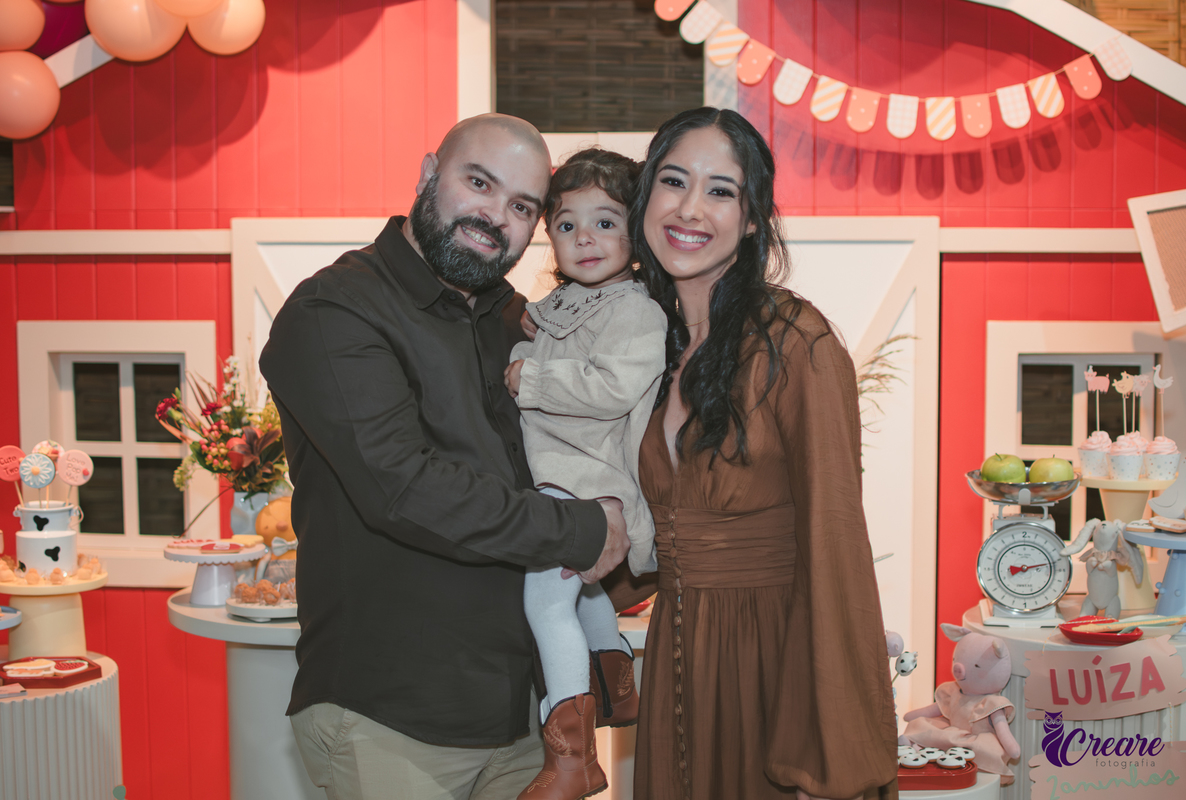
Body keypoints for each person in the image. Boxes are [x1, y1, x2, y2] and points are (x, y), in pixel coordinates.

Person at [258, 113, 630, 800]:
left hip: (526, 720)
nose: (495, 217)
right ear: (429, 173)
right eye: (479, 183)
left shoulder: (516, 318)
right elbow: (402, 487)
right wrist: (586, 529)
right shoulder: (333, 311)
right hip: (392, 719)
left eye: (522, 206)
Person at [606, 107, 898, 800]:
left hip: (775, 667)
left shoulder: (797, 342)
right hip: (679, 658)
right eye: (673, 181)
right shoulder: (645, 346)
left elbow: (834, 544)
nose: (689, 208)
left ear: (751, 217)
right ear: (645, 198)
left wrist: (828, 752)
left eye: (720, 190)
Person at [503, 148, 667, 800]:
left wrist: (529, 375)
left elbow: (610, 387)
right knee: (582, 592)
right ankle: (616, 685)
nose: (585, 239)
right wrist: (524, 344)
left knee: (544, 600)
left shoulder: (636, 310)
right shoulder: (564, 304)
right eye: (567, 225)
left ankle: (573, 755)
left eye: (605, 222)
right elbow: (542, 345)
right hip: (559, 476)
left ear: (635, 231)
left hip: (588, 481)